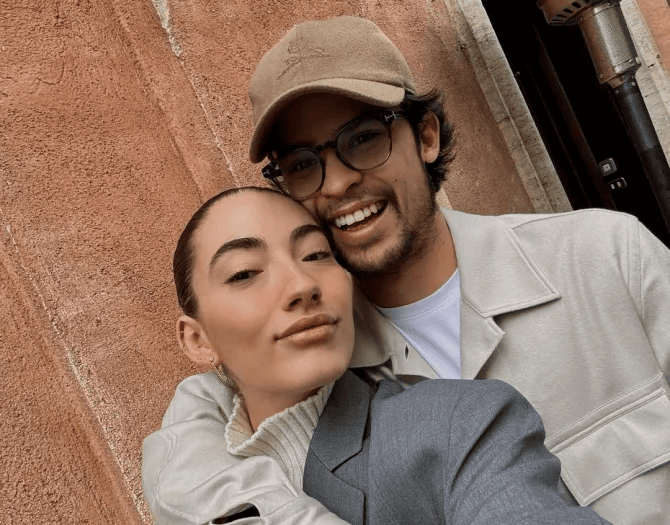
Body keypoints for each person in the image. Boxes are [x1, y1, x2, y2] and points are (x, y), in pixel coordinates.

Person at [143, 16, 670, 525]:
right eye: (302, 163)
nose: (337, 183)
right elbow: (196, 436)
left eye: (363, 139)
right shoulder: (314, 354)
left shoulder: (604, 256)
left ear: (426, 137)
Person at [144, 185, 612, 525]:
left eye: (316, 254)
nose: (302, 285)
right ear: (197, 340)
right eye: (245, 273)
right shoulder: (189, 469)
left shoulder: (457, 424)